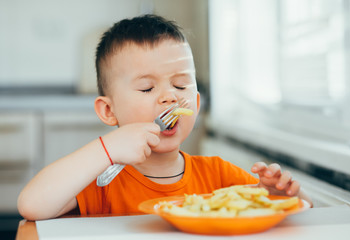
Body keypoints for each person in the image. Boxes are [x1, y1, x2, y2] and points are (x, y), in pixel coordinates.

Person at [17, 14, 312, 220]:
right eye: (147, 87)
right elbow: (31, 205)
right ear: (109, 111)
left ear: (195, 103)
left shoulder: (218, 176)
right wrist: (106, 149)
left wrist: (276, 196)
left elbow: (302, 209)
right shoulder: (102, 183)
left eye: (181, 85)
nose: (170, 97)